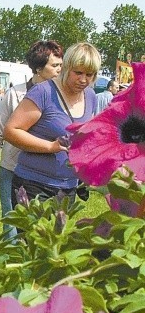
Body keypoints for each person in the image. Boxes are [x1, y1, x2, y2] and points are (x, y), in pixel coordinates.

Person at [5, 42, 101, 205]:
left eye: (90, 74)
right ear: (66, 67)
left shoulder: (91, 96)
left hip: (68, 187)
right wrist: (50, 147)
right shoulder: (43, 92)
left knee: (60, 231)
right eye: (78, 72)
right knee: (36, 232)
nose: (84, 79)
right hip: (34, 186)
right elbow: (11, 131)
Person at [0, 40, 63, 238]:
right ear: (38, 68)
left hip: (45, 175)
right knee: (12, 227)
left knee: (44, 229)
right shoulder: (14, 95)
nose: (60, 70)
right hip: (12, 171)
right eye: (55, 65)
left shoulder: (61, 98)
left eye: (61, 65)